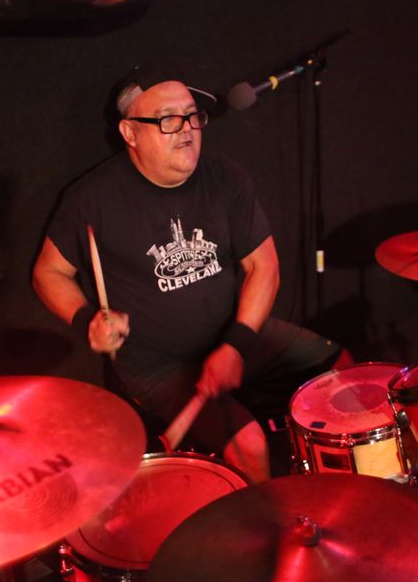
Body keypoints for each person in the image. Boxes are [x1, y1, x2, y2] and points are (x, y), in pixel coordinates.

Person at [32, 64, 347, 483]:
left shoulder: (225, 178)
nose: (186, 129)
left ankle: (349, 492)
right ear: (130, 133)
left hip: (234, 334)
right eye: (167, 119)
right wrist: (87, 319)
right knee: (250, 447)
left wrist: (235, 344)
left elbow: (264, 267)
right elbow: (48, 272)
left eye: (192, 115)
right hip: (158, 365)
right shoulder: (92, 199)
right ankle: (263, 521)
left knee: (343, 370)